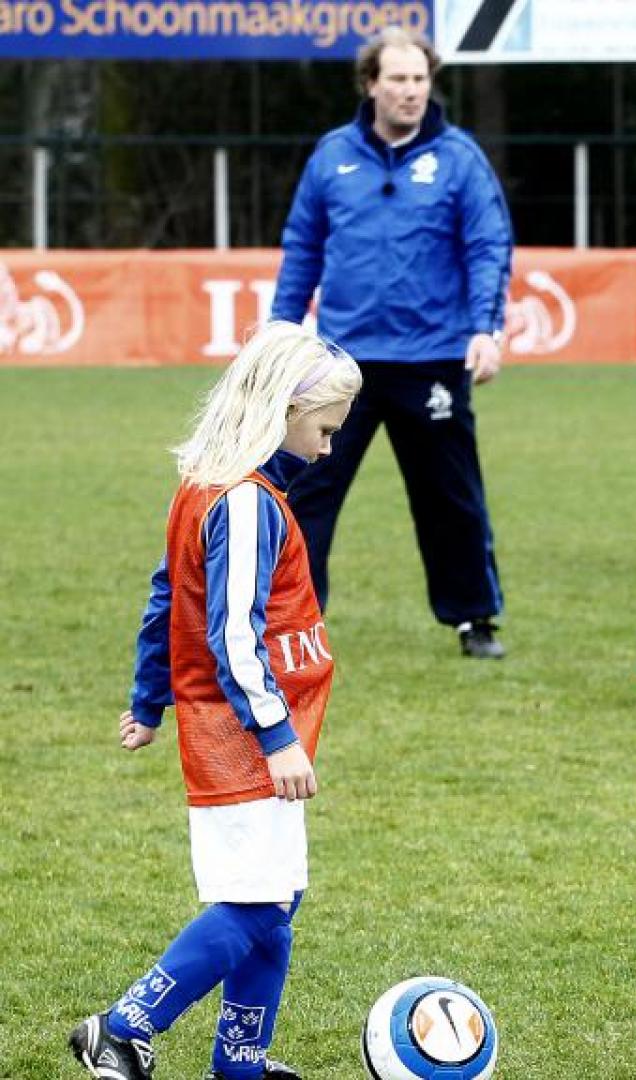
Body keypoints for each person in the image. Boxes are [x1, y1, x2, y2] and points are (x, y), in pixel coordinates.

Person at [68, 323, 361, 1080]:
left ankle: (240, 1065)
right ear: (279, 409)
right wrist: (276, 736)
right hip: (242, 736)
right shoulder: (241, 502)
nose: (328, 449)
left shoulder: (208, 486)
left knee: (277, 903)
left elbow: (166, 599)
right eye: (324, 429)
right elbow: (233, 636)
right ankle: (123, 1027)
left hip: (244, 729)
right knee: (258, 904)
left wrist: (148, 697)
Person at [271, 26, 513, 660]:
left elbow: (488, 247)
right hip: (341, 365)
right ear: (371, 84)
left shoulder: (460, 158)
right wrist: (280, 328)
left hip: (432, 358)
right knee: (306, 493)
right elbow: (302, 247)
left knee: (450, 497)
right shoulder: (332, 156)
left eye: (420, 79)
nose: (410, 91)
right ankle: (293, 619)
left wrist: (485, 329)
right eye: (398, 79)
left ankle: (473, 619)